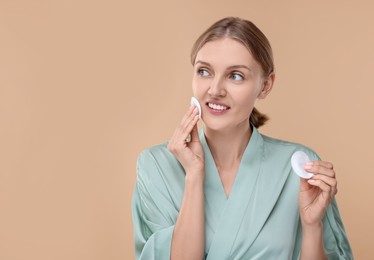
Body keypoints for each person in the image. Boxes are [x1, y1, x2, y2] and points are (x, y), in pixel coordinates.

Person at [131, 17, 353, 259]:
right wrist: (194, 176)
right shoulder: (155, 165)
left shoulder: (299, 168)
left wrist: (312, 227)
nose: (215, 90)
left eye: (235, 76)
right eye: (204, 71)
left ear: (265, 85)